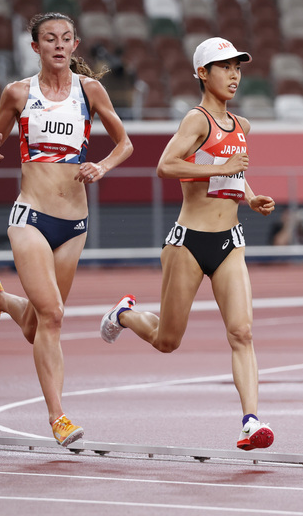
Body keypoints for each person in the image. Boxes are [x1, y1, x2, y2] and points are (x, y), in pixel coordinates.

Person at [100, 37, 277, 451]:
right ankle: (124, 314)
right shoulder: (197, 121)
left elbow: (234, 173)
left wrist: (250, 196)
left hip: (230, 242)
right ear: (202, 73)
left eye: (238, 67)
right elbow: (165, 166)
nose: (234, 75)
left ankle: (251, 421)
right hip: (189, 242)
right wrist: (222, 165)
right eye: (224, 67)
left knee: (243, 332)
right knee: (167, 341)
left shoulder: (242, 125)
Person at [0, 12, 133, 447]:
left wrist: (100, 165)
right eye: (50, 39)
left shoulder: (91, 91)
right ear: (36, 47)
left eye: (66, 38)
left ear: (76, 44)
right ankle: (58, 416)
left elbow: (125, 143)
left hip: (75, 224)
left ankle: (2, 299)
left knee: (36, 325)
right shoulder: (18, 93)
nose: (59, 45)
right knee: (55, 317)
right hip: (30, 216)